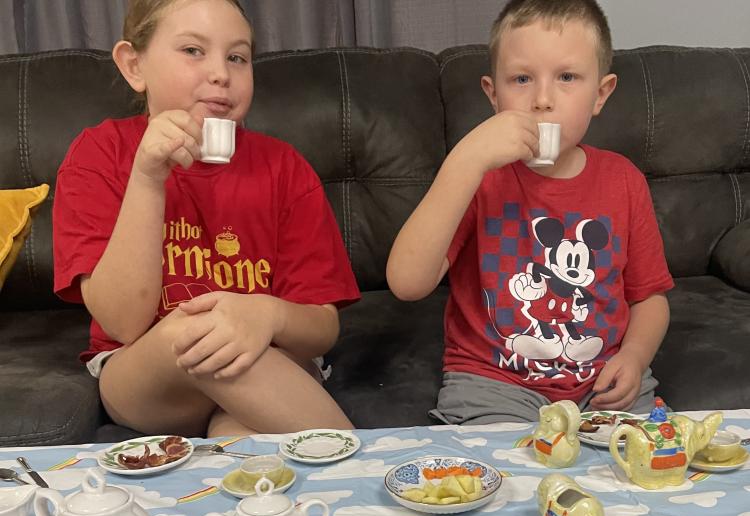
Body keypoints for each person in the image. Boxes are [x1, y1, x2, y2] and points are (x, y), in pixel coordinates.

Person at [53, 0, 359, 438]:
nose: (221, 73)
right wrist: (147, 177)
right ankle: (372, 468)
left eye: (237, 57)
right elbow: (122, 323)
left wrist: (269, 315)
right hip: (145, 375)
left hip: (266, 368)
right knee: (204, 332)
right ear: (134, 65)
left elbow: (323, 329)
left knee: (240, 445)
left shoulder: (284, 167)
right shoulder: (98, 155)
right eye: (193, 50)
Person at [387, 0, 673, 424]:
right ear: (493, 94)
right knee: (500, 485)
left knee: (655, 468)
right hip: (493, 385)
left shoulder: (624, 180)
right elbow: (406, 282)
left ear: (600, 94)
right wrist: (465, 161)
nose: (542, 99)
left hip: (603, 387)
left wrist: (634, 355)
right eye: (521, 79)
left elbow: (649, 298)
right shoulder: (479, 177)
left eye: (567, 77)